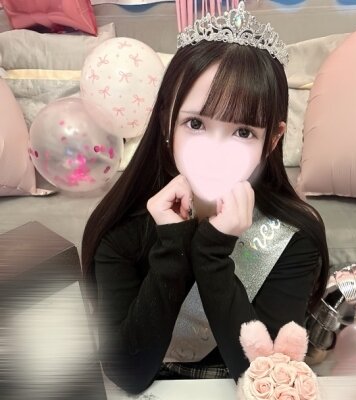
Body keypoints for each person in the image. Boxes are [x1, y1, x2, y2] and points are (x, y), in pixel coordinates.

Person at [81, 1, 329, 395]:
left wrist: (212, 252)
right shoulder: (123, 228)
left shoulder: (292, 238)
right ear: (167, 120)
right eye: (195, 123)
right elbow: (127, 374)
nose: (215, 151)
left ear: (272, 140)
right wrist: (173, 248)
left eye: (243, 132)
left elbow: (263, 378)